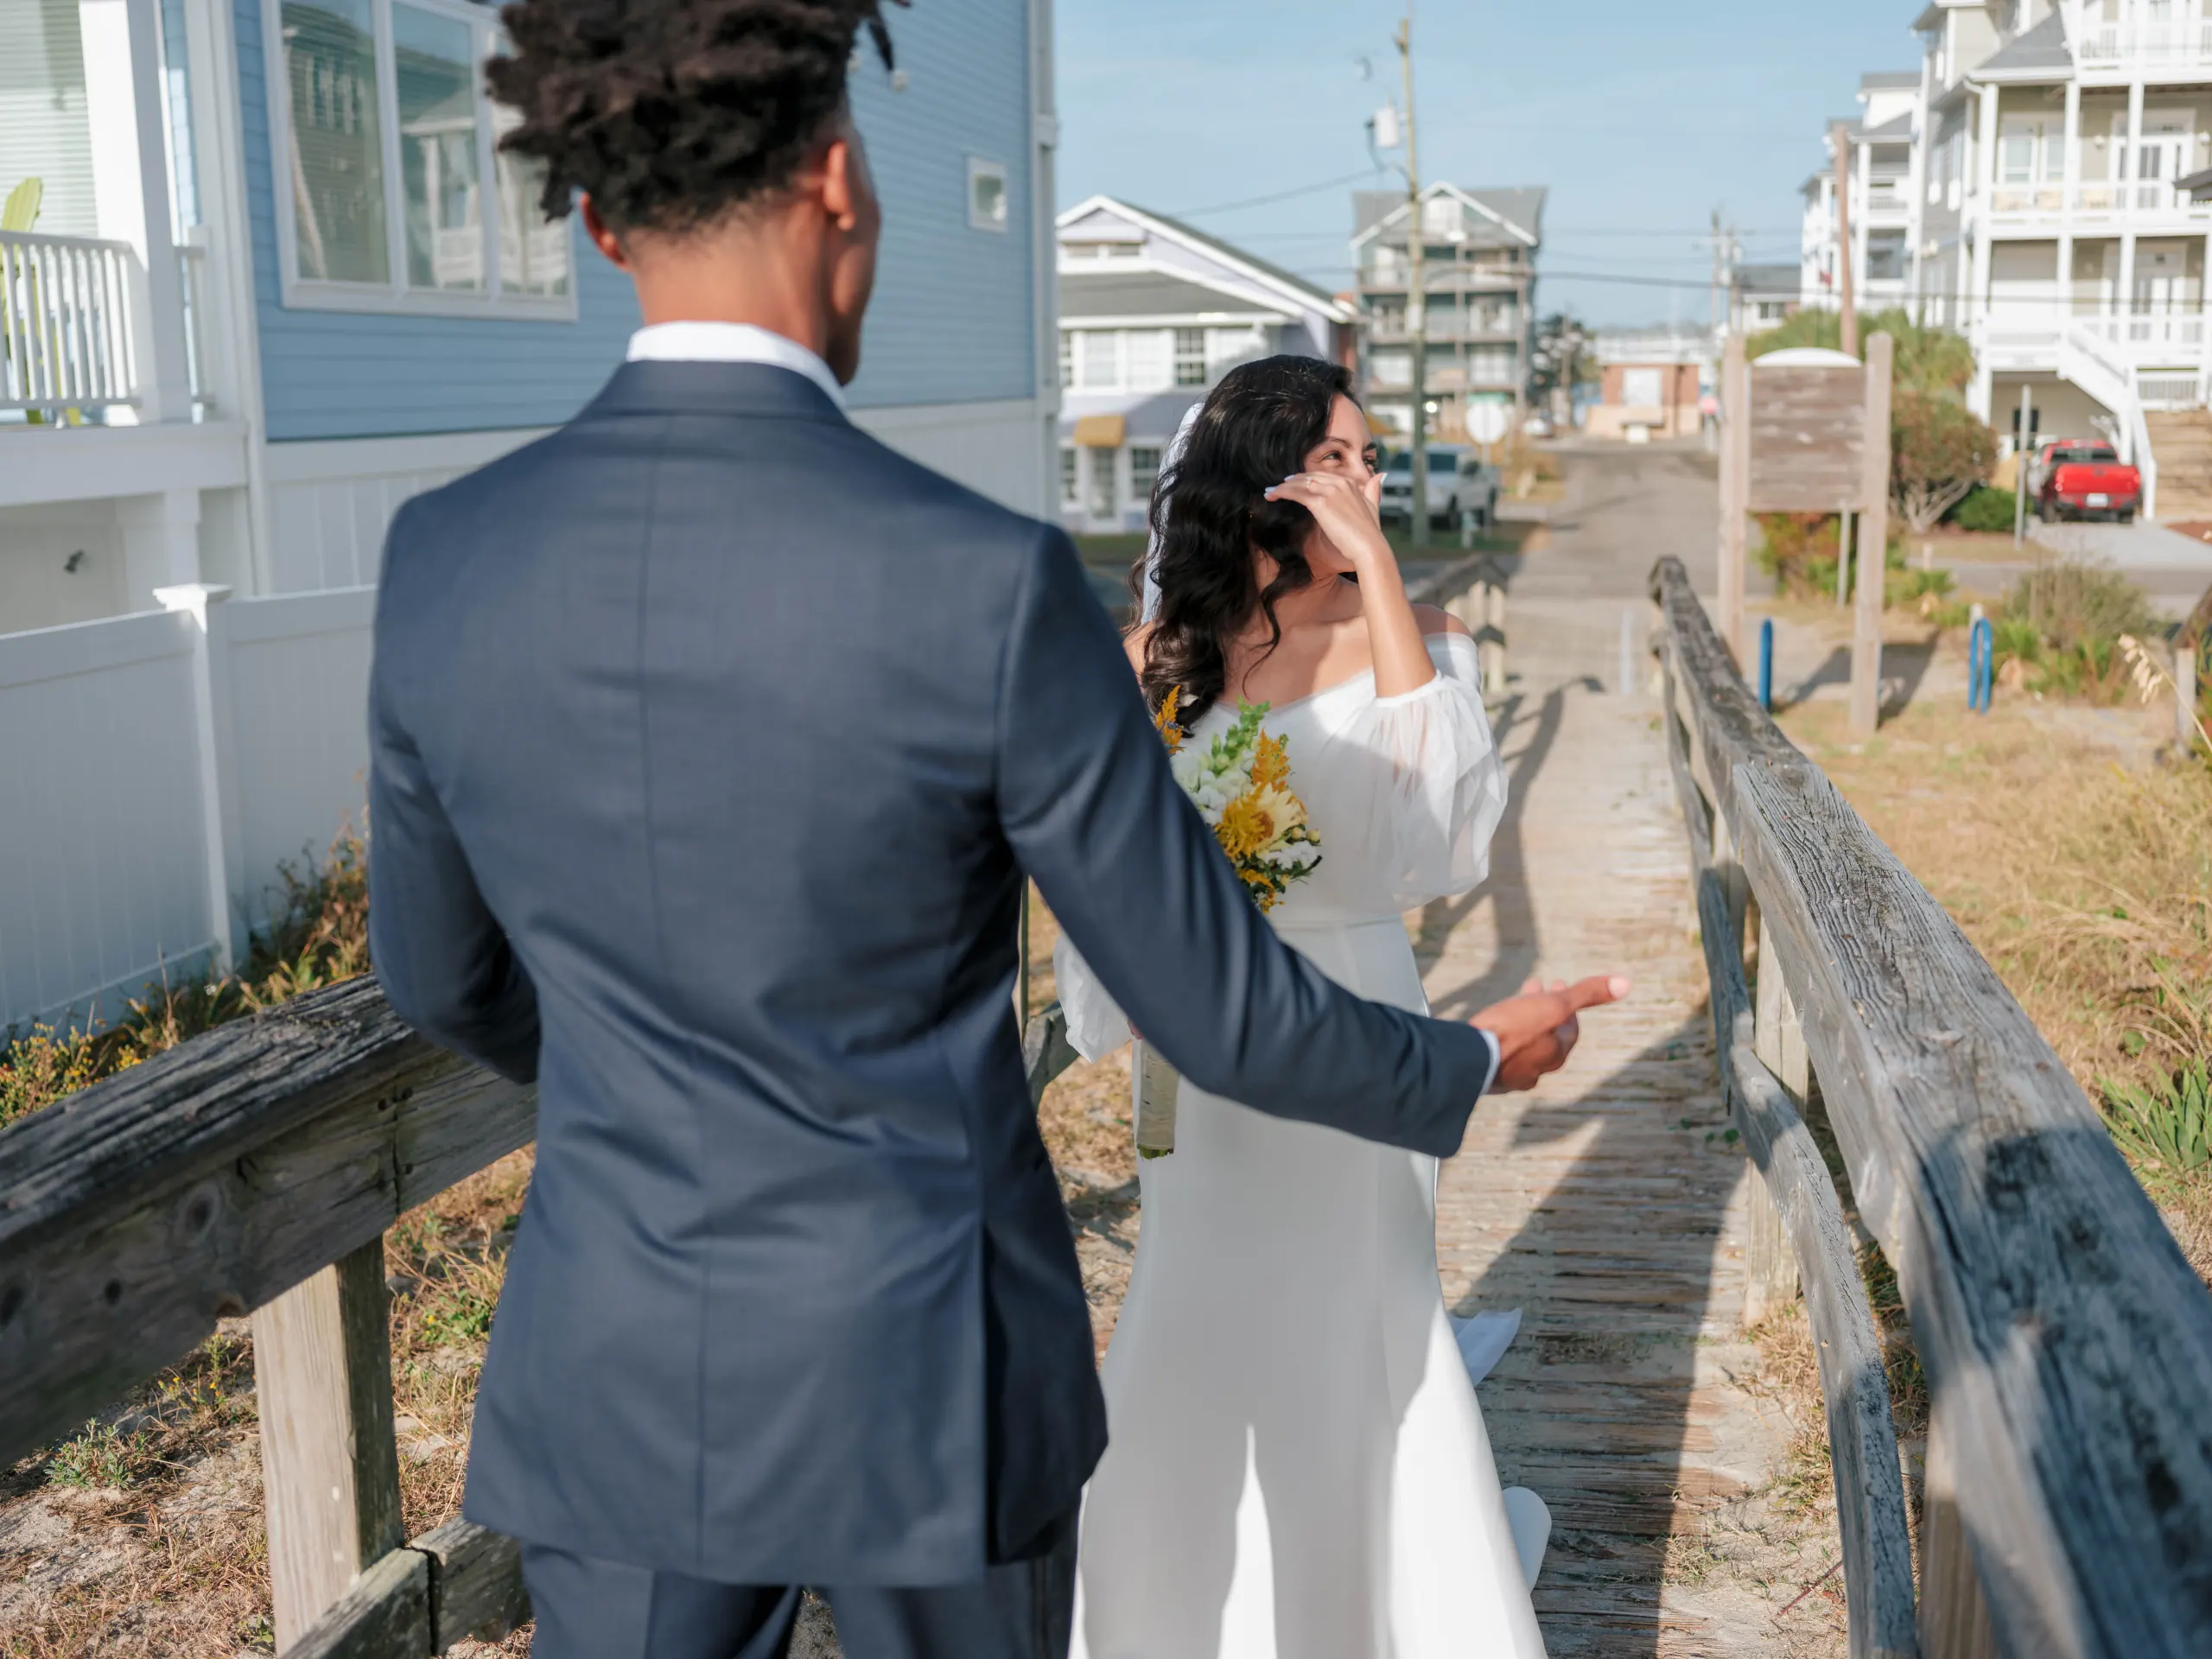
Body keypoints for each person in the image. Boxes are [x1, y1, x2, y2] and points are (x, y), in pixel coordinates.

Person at [365, 3, 1626, 1656]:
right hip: (936, 1365)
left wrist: (669, 1083)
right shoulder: (982, 578)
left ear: (597, 225)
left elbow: (440, 977)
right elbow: (1216, 1005)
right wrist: (1463, 1062)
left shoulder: (442, 560)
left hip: (620, 1363)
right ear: (838, 184)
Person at [1056, 358, 1549, 1658]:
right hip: (1201, 1053)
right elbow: (1099, 862)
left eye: (1374, 460)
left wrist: (1379, 569)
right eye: (1345, 457)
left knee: (1367, 1310)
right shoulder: (1157, 659)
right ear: (1265, 474)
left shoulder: (1418, 632)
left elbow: (1442, 839)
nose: (1368, 479)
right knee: (1192, 1312)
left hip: (1360, 1021)